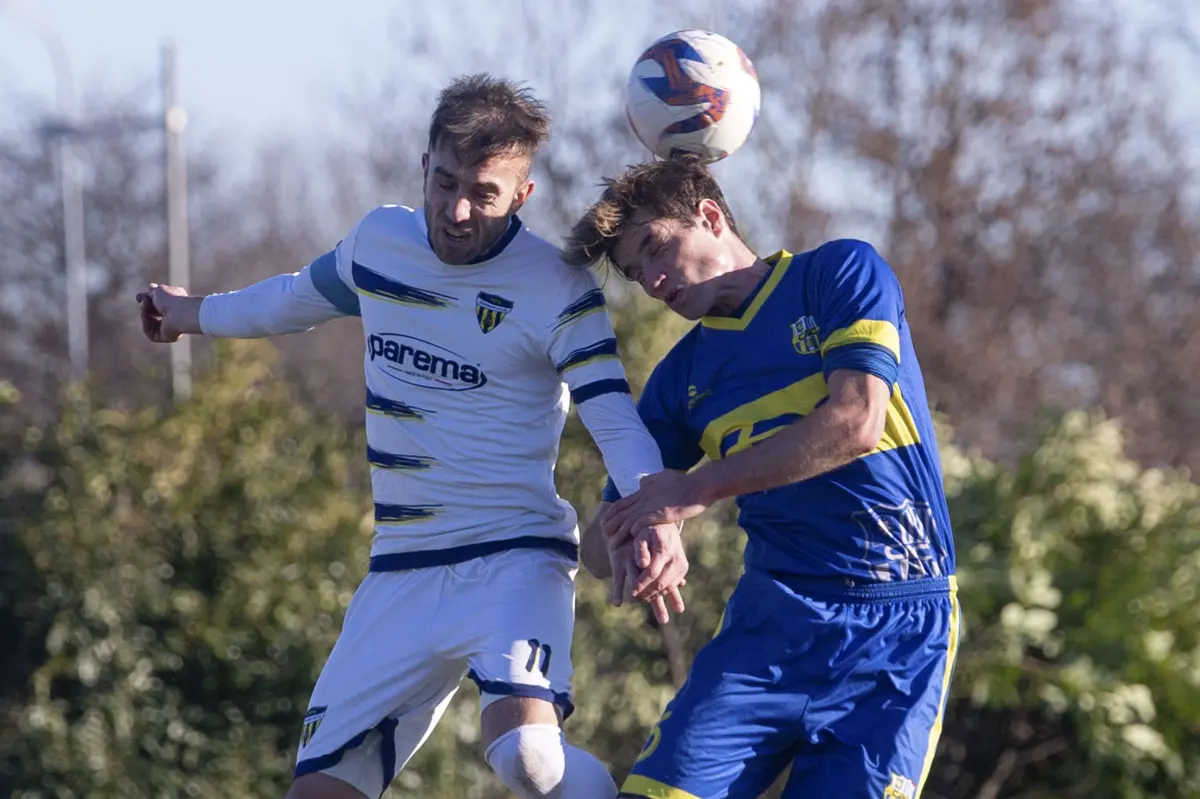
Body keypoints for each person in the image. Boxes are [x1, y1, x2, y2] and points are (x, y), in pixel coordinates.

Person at [136, 74, 687, 799]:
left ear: (521, 196)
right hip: (400, 569)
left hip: (513, 558)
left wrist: (656, 510)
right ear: (425, 166)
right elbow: (291, 299)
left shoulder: (557, 287)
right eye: (445, 182)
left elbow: (613, 416)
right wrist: (191, 314)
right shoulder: (379, 244)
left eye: (483, 194)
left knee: (527, 757)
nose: (456, 210)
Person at [565, 156, 961, 799]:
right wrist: (643, 537)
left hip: (897, 630)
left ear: (710, 216)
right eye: (636, 274)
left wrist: (690, 493)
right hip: (767, 633)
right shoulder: (680, 379)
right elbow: (602, 545)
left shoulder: (838, 273)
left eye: (656, 248)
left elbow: (856, 421)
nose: (652, 281)